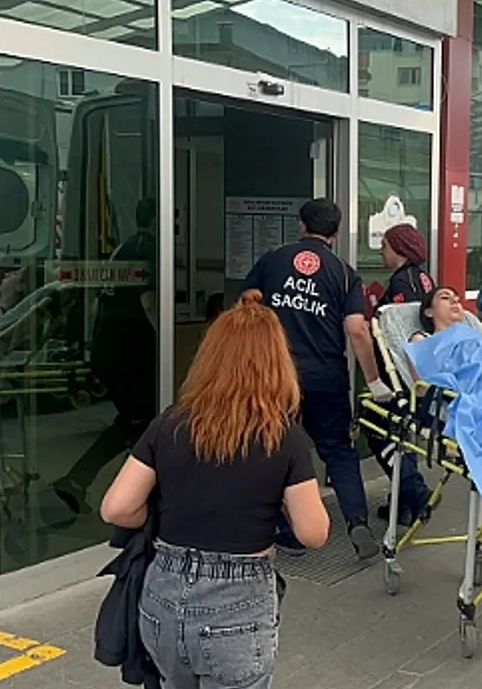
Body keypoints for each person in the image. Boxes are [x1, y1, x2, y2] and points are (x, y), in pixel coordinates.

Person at [98, 294, 330, 689]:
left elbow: (116, 508)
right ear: (277, 364)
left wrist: (157, 515)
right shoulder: (283, 438)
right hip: (239, 604)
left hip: (163, 595)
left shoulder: (169, 424)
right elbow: (314, 533)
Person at [241, 197, 393, 560]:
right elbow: (357, 330)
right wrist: (374, 382)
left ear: (302, 225)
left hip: (277, 376)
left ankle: (286, 530)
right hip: (326, 376)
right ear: (336, 232)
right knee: (338, 450)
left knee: (271, 449)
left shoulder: (274, 259)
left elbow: (246, 303)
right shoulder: (344, 273)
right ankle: (357, 522)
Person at [55, 197, 158, 515]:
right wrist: (164, 341)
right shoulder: (149, 250)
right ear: (158, 219)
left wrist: (94, 344)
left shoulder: (122, 249)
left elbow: (97, 302)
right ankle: (124, 494)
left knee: (135, 423)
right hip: (132, 353)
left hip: (108, 348)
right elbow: (149, 302)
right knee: (141, 422)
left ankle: (81, 481)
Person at [369, 223, 438, 525]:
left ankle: (414, 491)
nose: (380, 251)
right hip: (417, 372)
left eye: (384, 245)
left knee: (379, 429)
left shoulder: (402, 282)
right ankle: (403, 505)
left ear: (399, 248)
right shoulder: (423, 278)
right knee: (401, 434)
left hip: (401, 374)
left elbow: (400, 331)